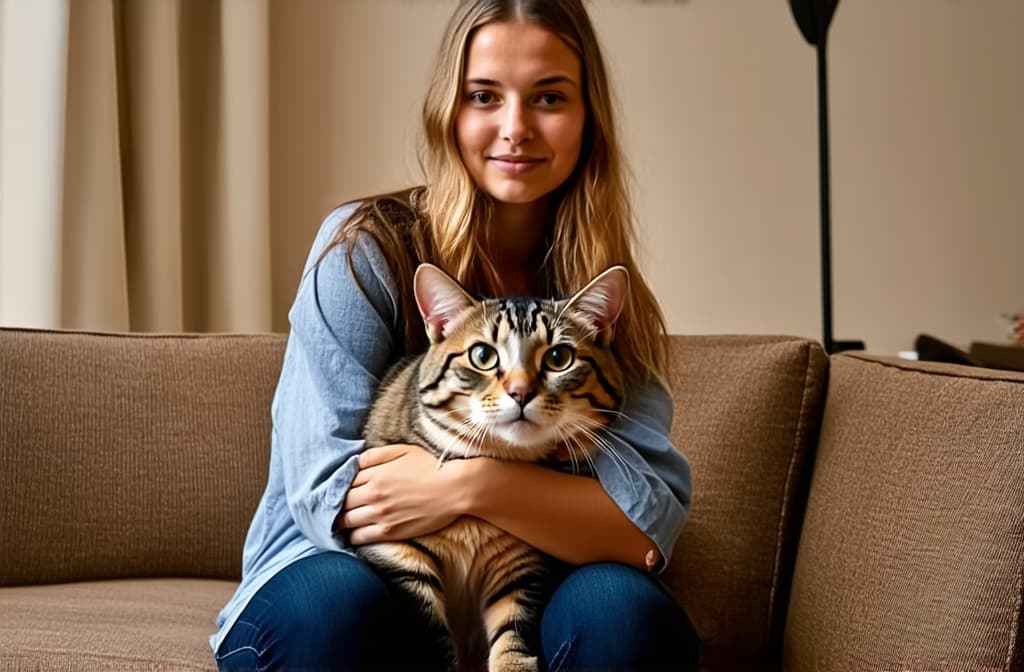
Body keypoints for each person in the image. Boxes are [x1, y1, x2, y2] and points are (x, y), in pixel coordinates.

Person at [212, 0, 701, 669]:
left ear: (589, 119)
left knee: (624, 611)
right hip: (351, 575)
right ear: (450, 113)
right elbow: (327, 490)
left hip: (528, 590)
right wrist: (555, 493)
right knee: (333, 608)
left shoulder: (606, 297)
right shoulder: (365, 247)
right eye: (484, 96)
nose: (515, 128)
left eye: (549, 97)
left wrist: (467, 487)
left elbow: (645, 521)